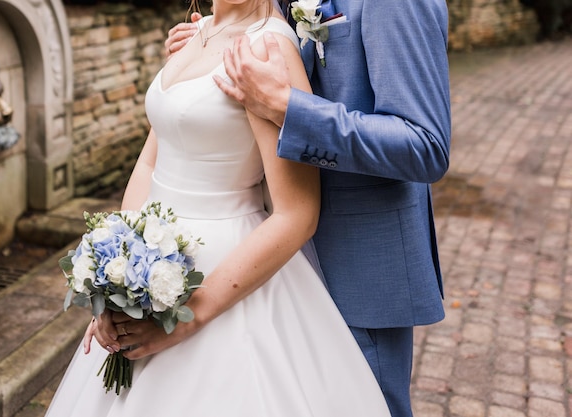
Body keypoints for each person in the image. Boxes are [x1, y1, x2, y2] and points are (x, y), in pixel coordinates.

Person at [45, 1, 391, 416]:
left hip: (224, 268)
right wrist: (115, 290)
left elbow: (296, 213)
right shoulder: (196, 34)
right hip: (150, 259)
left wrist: (189, 318)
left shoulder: (267, 49)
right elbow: (151, 162)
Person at [166, 0, 452, 416]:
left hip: (356, 267)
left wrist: (289, 108)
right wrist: (215, 42)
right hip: (267, 262)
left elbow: (424, 146)